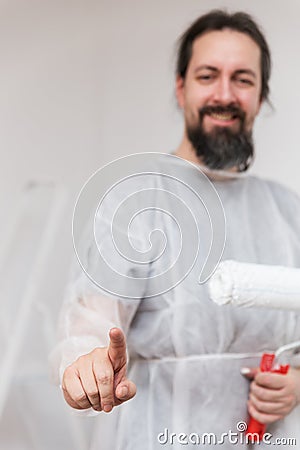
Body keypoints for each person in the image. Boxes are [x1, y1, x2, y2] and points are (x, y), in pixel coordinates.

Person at [51, 10, 300, 449]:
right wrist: (85, 365)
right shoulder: (135, 199)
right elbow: (90, 324)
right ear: (181, 87)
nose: (225, 94)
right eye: (208, 76)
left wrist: (298, 382)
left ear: (261, 96)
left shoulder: (286, 210)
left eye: (243, 79)